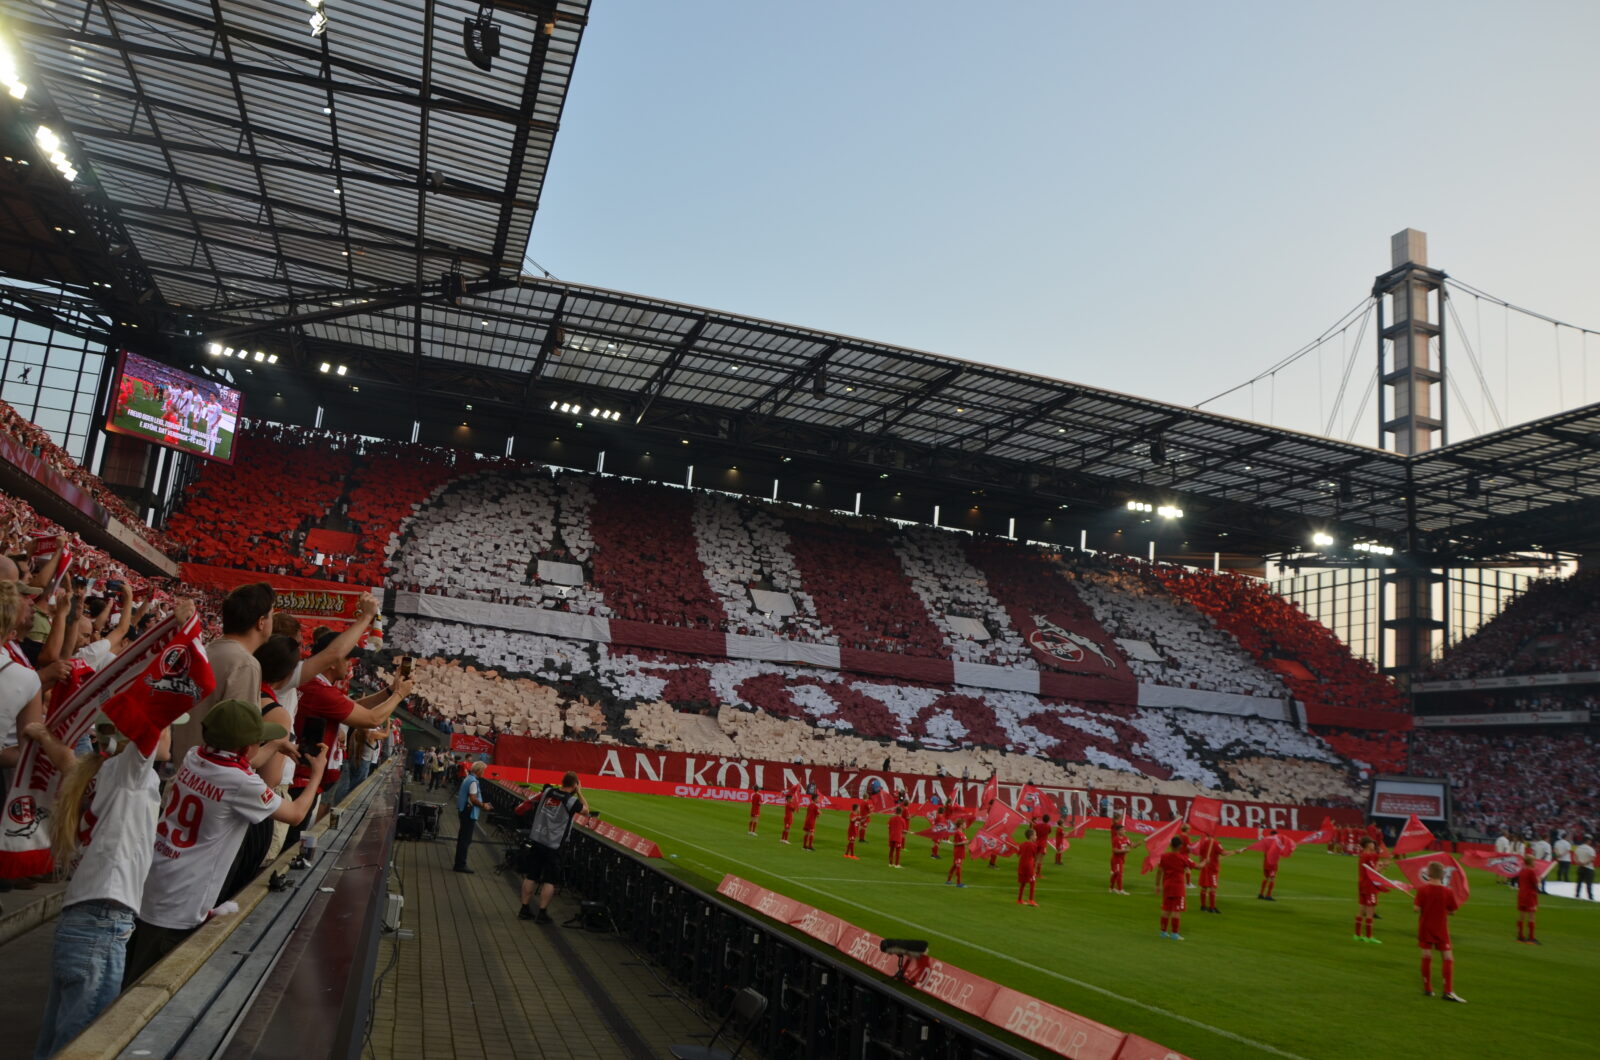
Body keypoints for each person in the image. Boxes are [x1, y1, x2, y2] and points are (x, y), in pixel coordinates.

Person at [124, 700, 326, 987]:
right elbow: (295, 815)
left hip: (156, 878)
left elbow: (237, 767)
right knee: (143, 986)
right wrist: (316, 773)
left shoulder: (196, 756)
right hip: (182, 901)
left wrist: (274, 747)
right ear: (246, 747)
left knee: (130, 968)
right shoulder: (242, 783)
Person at [28, 712, 175, 1060]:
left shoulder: (96, 770)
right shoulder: (129, 772)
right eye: (167, 727)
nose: (168, 734)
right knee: (82, 1046)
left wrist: (43, 735)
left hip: (83, 919)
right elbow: (147, 730)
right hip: (102, 922)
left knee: (57, 1040)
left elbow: (67, 759)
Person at [514, 771, 588, 923]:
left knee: (531, 875)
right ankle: (542, 913)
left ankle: (524, 909)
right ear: (574, 785)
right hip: (554, 844)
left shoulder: (548, 791)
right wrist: (579, 792)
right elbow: (586, 810)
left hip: (538, 838)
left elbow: (546, 789)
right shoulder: (570, 801)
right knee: (550, 880)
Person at [1414, 861, 1464, 1002]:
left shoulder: (1422, 890)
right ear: (1442, 875)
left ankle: (1428, 988)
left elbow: (1416, 909)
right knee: (1448, 958)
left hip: (1425, 927)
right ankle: (1447, 991)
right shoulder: (1447, 892)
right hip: (1441, 928)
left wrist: (1423, 906)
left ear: (1428, 873)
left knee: (1426, 955)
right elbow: (1453, 911)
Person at [453, 762, 491, 873]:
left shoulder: (468, 778)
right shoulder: (473, 782)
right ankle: (460, 864)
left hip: (463, 811)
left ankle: (459, 863)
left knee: (463, 838)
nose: (484, 773)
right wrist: (484, 805)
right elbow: (473, 799)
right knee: (465, 839)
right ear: (479, 770)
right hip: (468, 813)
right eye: (483, 770)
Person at [1158, 836, 1197, 940]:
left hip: (1167, 885)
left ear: (1171, 845)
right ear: (1180, 846)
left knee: (1166, 909)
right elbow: (1197, 867)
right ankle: (1175, 934)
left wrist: (1157, 885)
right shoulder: (1183, 858)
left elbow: (1160, 871)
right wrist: (1206, 862)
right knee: (1176, 910)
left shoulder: (1164, 856)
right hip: (1178, 887)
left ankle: (1163, 932)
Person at [1194, 833, 1233, 914]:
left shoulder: (1203, 843)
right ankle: (1212, 907)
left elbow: (1200, 856)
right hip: (1213, 869)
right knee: (1213, 887)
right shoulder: (1215, 843)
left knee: (1204, 887)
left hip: (1205, 867)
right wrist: (1234, 851)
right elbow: (1223, 853)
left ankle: (1203, 906)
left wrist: (1202, 863)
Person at [1354, 837, 1384, 942]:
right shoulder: (1368, 856)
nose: (1373, 845)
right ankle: (1369, 936)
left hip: (1362, 885)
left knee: (1361, 910)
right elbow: (1374, 872)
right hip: (1369, 886)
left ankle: (1357, 934)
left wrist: (1381, 865)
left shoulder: (1363, 855)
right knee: (1370, 911)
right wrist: (1382, 867)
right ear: (1367, 845)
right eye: (1372, 844)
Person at [1516, 853, 1542, 945]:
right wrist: (1539, 880)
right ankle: (1531, 938)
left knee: (1522, 915)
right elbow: (1535, 884)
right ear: (1531, 862)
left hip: (1522, 894)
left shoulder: (1522, 871)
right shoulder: (1531, 871)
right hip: (1530, 895)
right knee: (1531, 915)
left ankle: (1520, 935)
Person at [1016, 827, 1043, 906]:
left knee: (1023, 883)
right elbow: (1034, 856)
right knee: (1033, 882)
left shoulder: (1023, 844)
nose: (1036, 837)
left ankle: (1019, 899)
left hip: (1022, 864)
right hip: (1029, 865)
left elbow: (1018, 854)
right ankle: (1031, 900)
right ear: (1031, 836)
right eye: (1035, 835)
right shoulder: (1033, 845)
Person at [1258, 829, 1284, 900]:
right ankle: (1268, 895)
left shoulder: (1266, 842)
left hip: (1265, 862)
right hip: (1272, 864)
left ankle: (1261, 894)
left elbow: (1260, 838)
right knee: (1272, 879)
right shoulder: (1276, 843)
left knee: (1266, 878)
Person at [1109, 821, 1132, 894]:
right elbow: (1115, 850)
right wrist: (1124, 850)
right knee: (1119, 873)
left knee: (1116, 873)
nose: (1124, 831)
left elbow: (1131, 845)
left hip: (1122, 859)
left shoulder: (1126, 838)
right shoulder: (1116, 839)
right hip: (1117, 859)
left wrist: (1140, 843)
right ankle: (1120, 889)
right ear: (1118, 831)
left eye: (1124, 829)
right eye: (1122, 830)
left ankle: (1111, 888)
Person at [1574, 836, 1596, 900]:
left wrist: (1578, 862)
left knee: (1579, 882)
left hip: (1580, 867)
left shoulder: (1578, 848)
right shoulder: (1590, 849)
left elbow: (1575, 856)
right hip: (1588, 868)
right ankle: (1590, 896)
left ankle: (1577, 894)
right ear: (1588, 841)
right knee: (1589, 883)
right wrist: (1585, 863)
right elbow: (1592, 859)